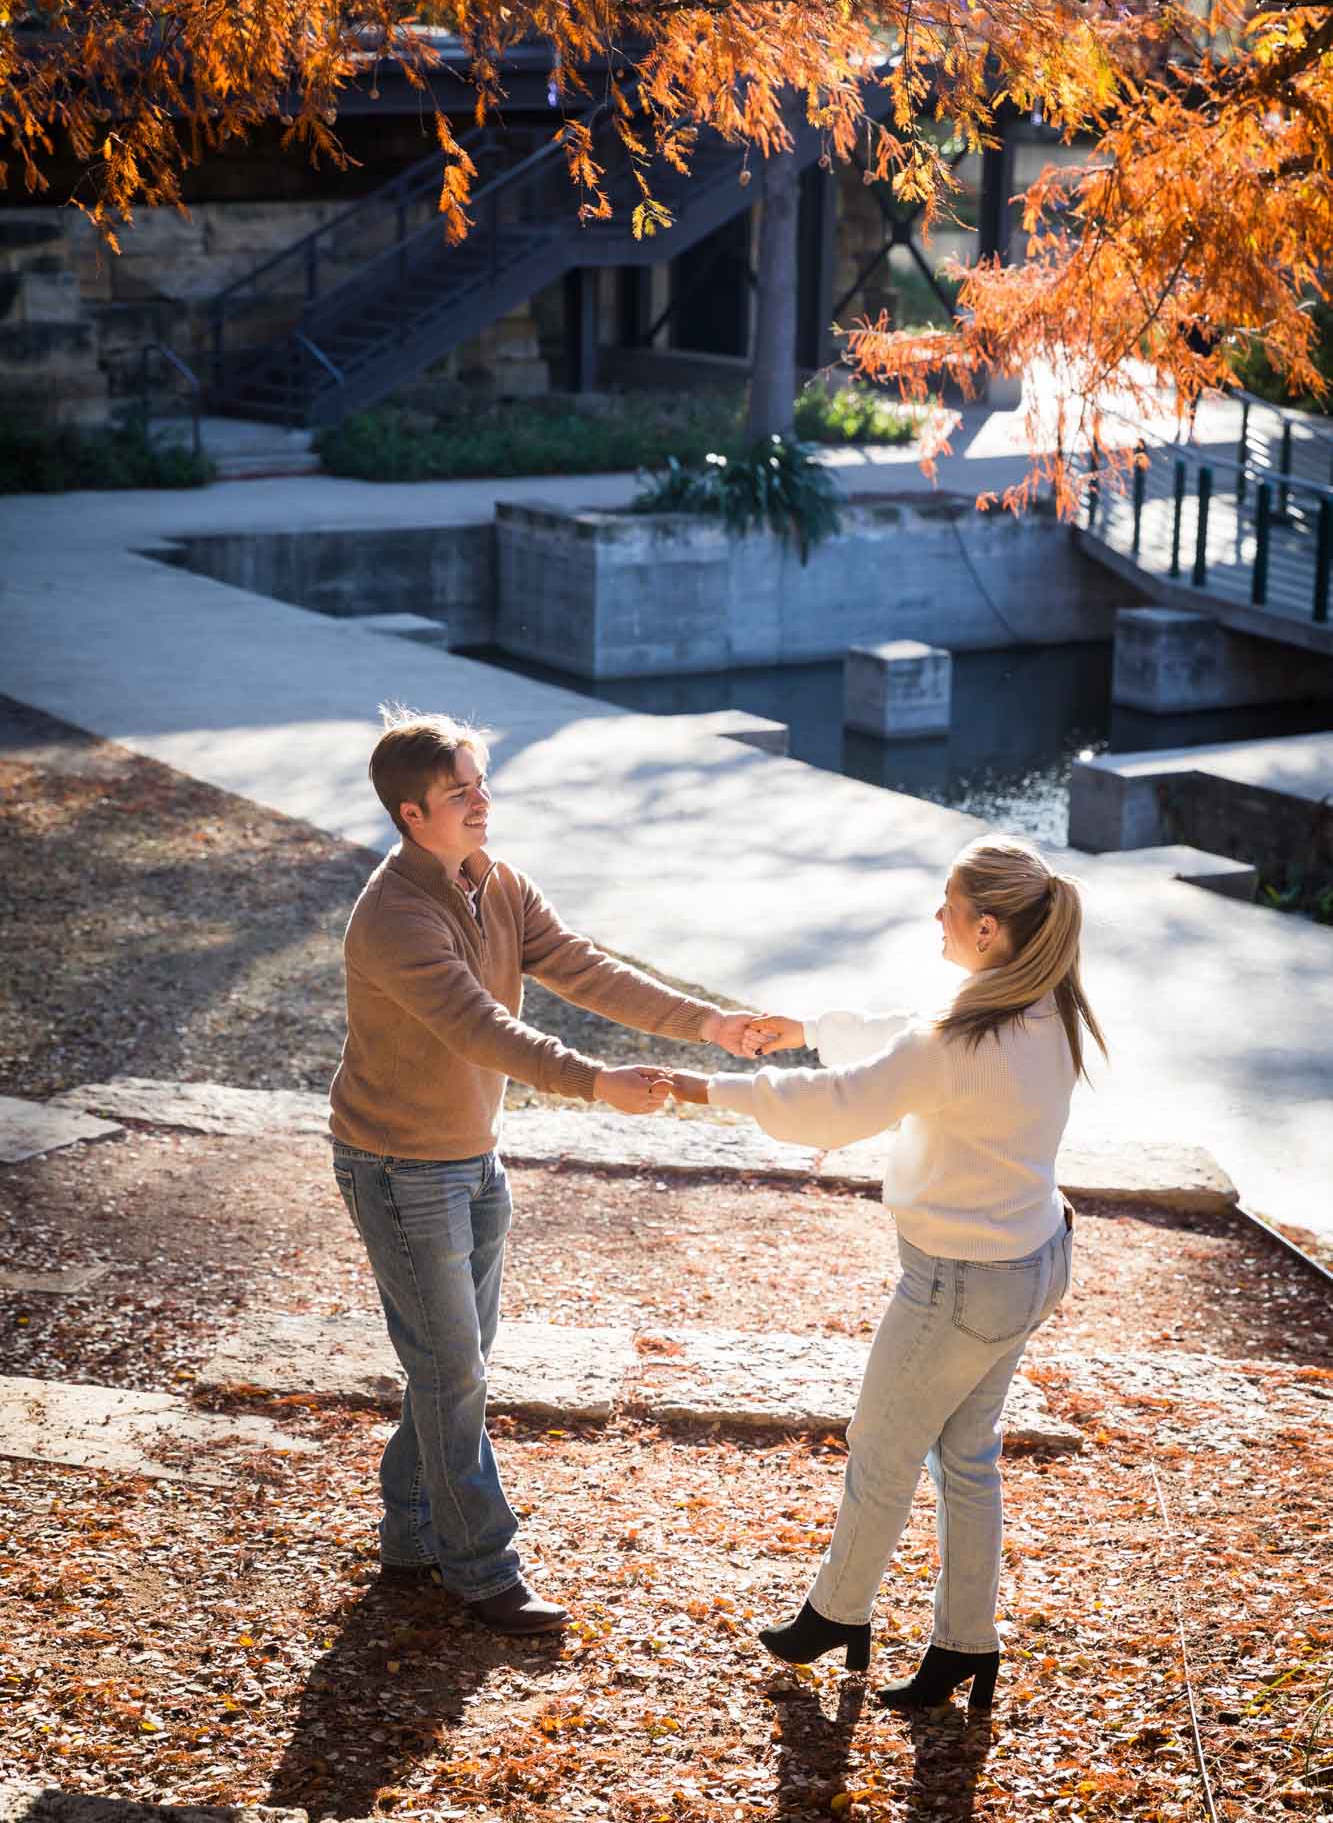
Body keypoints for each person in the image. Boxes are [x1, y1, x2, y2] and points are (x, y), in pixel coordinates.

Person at [329, 706, 766, 1635]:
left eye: (480, 783)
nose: (482, 801)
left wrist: (706, 1024)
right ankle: (482, 1570)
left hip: (470, 1157)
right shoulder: (395, 918)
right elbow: (480, 1027)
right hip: (399, 1167)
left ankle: (410, 1540)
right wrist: (592, 1081)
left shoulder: (492, 879)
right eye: (460, 792)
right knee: (452, 1373)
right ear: (413, 815)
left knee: (452, 1366)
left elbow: (582, 967)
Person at [658, 834, 1106, 1712]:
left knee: (883, 1449)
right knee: (965, 1455)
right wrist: (809, 1030)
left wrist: (703, 1088)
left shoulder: (959, 1035)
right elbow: (913, 1043)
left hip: (960, 1283)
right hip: (1031, 1261)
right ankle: (965, 1644)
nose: (933, 917)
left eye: (945, 905)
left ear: (983, 927)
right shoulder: (1047, 1001)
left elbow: (844, 1102)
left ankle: (837, 1612)